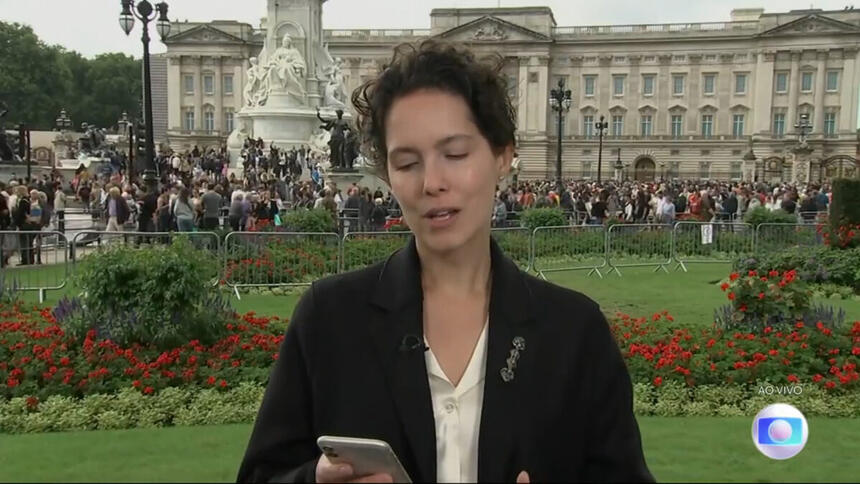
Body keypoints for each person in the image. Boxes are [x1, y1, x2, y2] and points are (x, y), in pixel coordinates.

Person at [237, 40, 652, 484]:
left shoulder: (575, 332)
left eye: (454, 154)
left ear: (503, 156)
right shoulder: (328, 318)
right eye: (408, 162)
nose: (432, 182)